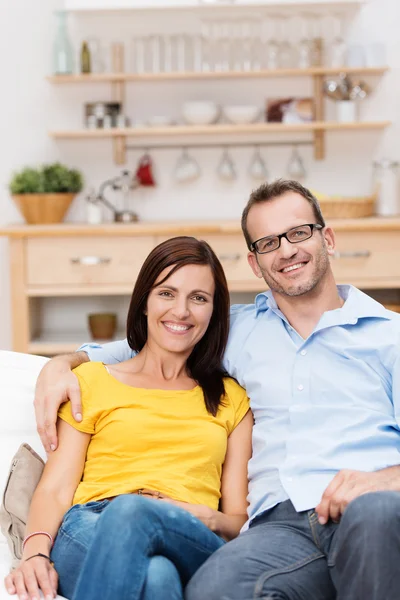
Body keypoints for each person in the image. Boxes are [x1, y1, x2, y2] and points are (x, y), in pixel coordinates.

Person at [32, 179, 400, 600]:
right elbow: (144, 343)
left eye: (299, 233)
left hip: (370, 512)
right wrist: (60, 364)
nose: (286, 250)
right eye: (268, 242)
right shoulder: (234, 330)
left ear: (327, 238)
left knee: (377, 515)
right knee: (213, 587)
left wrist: (386, 481)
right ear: (254, 262)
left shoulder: (391, 338)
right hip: (279, 529)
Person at [4, 236, 252, 600]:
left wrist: (203, 516)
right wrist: (35, 552)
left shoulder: (231, 399)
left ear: (213, 311)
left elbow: (237, 520)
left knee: (136, 513)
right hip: (91, 526)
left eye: (198, 298)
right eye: (167, 293)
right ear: (145, 303)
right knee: (157, 576)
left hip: (189, 531)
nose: (181, 311)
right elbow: (55, 489)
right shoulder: (91, 381)